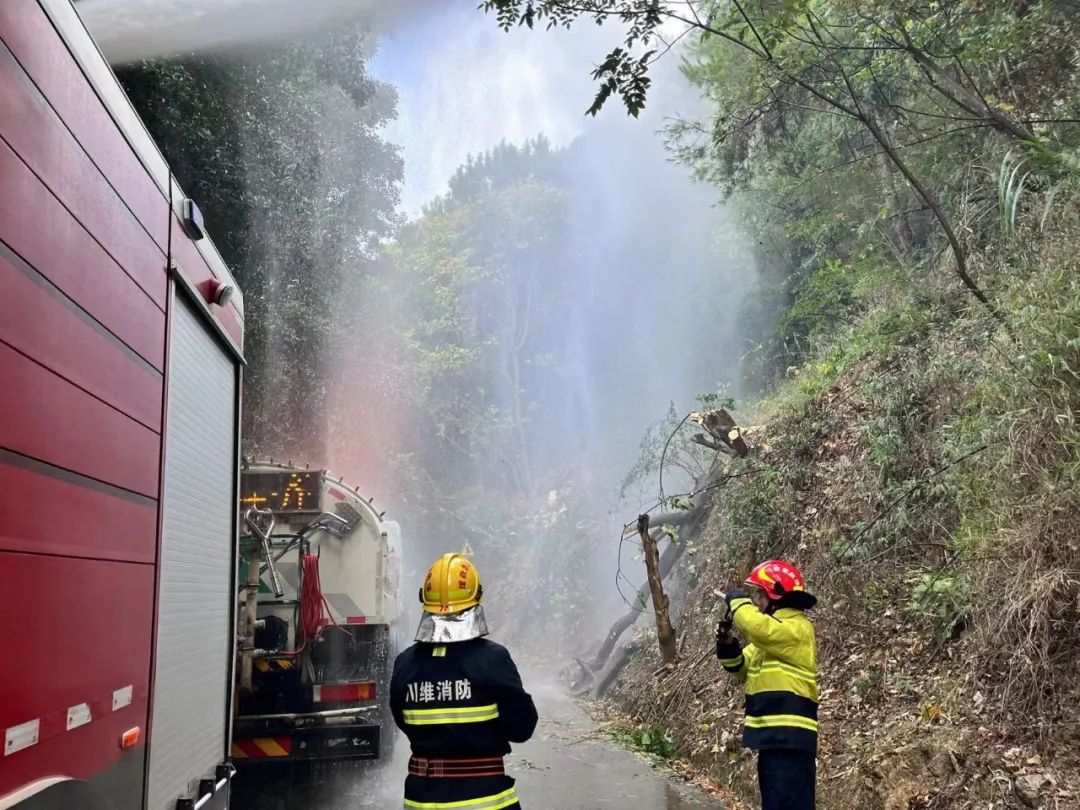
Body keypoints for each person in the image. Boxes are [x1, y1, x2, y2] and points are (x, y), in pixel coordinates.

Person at [390, 553, 538, 810]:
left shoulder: (405, 664)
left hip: (420, 799)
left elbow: (403, 720)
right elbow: (522, 728)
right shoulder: (493, 659)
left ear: (424, 600)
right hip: (485, 801)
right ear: (477, 598)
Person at [716, 559, 819, 810]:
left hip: (790, 737)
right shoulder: (771, 640)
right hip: (775, 739)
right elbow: (740, 668)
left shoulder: (797, 628)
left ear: (776, 595)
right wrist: (728, 644)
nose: (759, 602)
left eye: (761, 595)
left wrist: (738, 601)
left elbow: (759, 627)